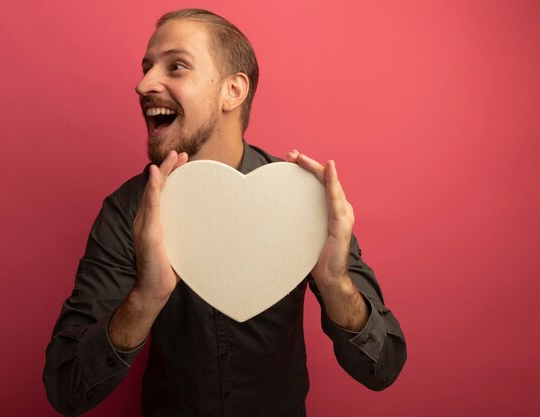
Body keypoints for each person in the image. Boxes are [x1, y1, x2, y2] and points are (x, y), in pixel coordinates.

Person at [44, 8, 406, 417]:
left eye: (176, 66)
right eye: (146, 68)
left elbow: (382, 367)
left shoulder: (300, 200)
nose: (142, 84)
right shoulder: (128, 210)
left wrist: (336, 283)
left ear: (232, 91)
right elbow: (66, 388)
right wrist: (147, 297)